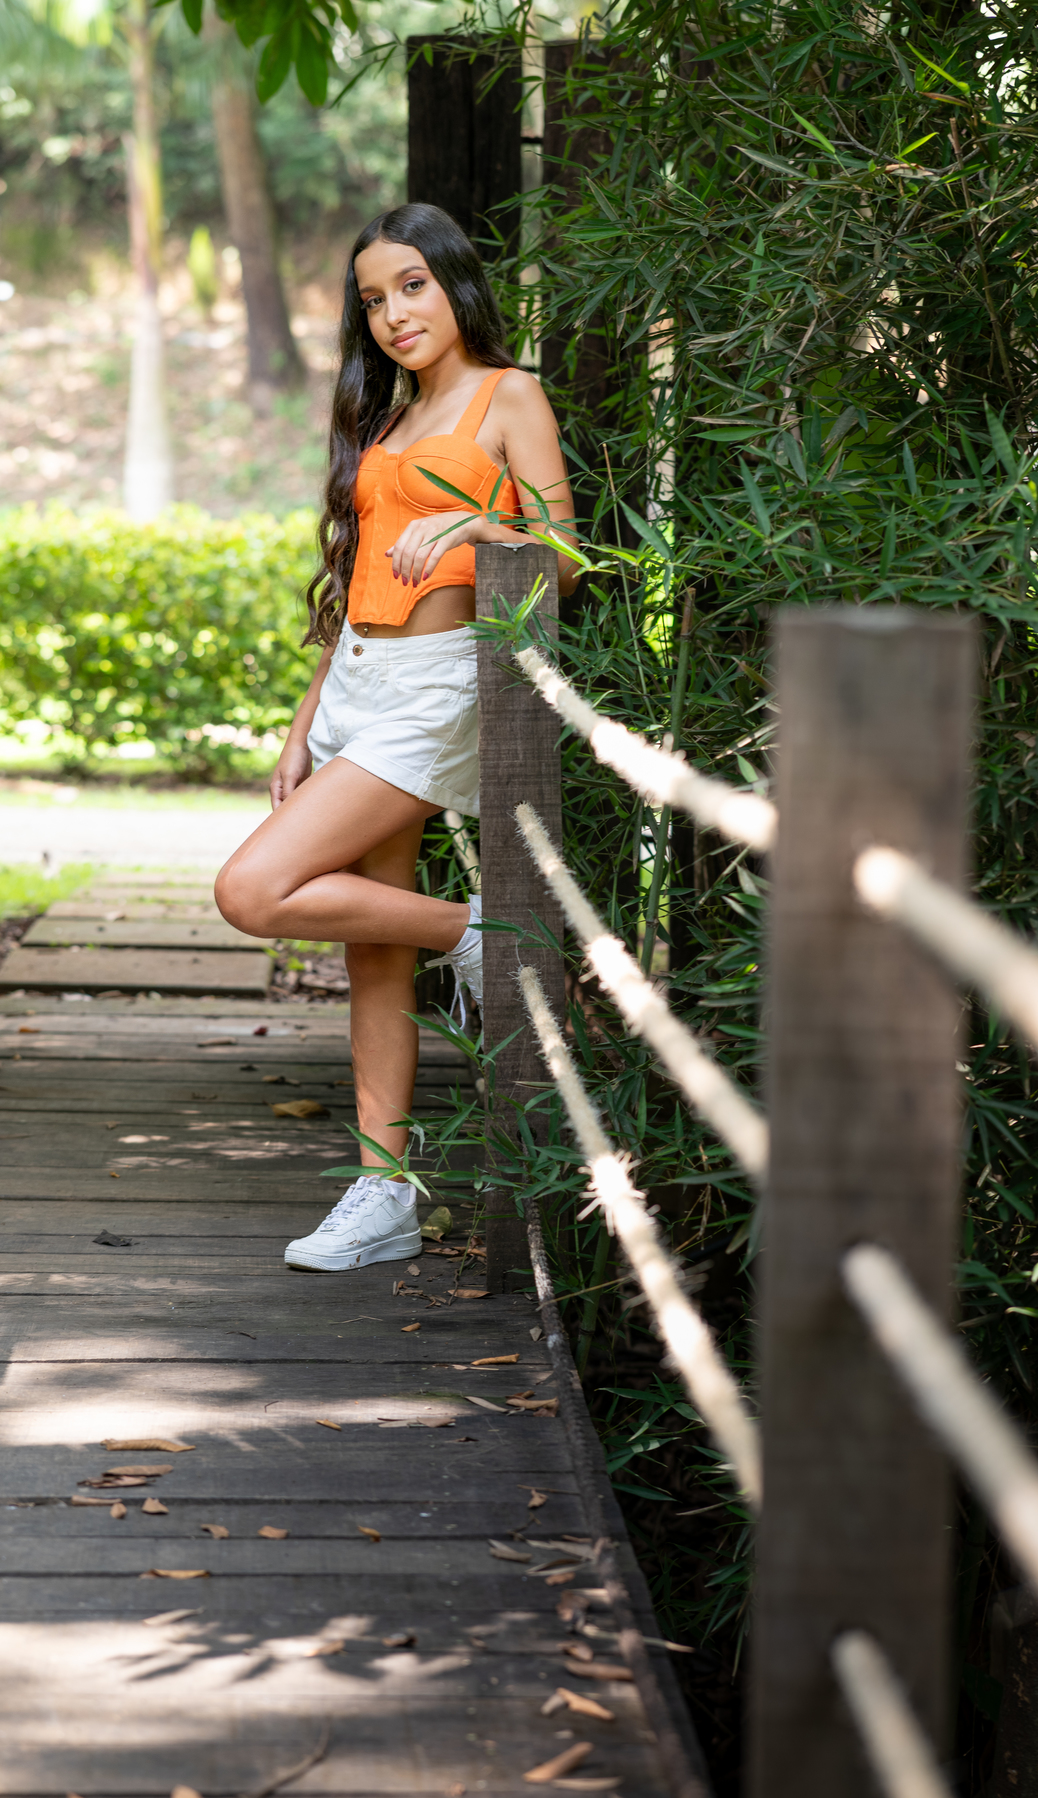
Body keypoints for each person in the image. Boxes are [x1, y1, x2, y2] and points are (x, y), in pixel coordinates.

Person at [215, 202, 578, 1273]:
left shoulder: (510, 396)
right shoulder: (391, 416)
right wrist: (301, 727)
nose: (393, 314)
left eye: (412, 285)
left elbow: (566, 557)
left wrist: (477, 522)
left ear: (456, 284)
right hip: (357, 687)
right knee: (372, 946)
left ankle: (480, 933)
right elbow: (354, 587)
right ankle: (385, 1194)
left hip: (434, 688)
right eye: (373, 299)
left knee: (253, 890)